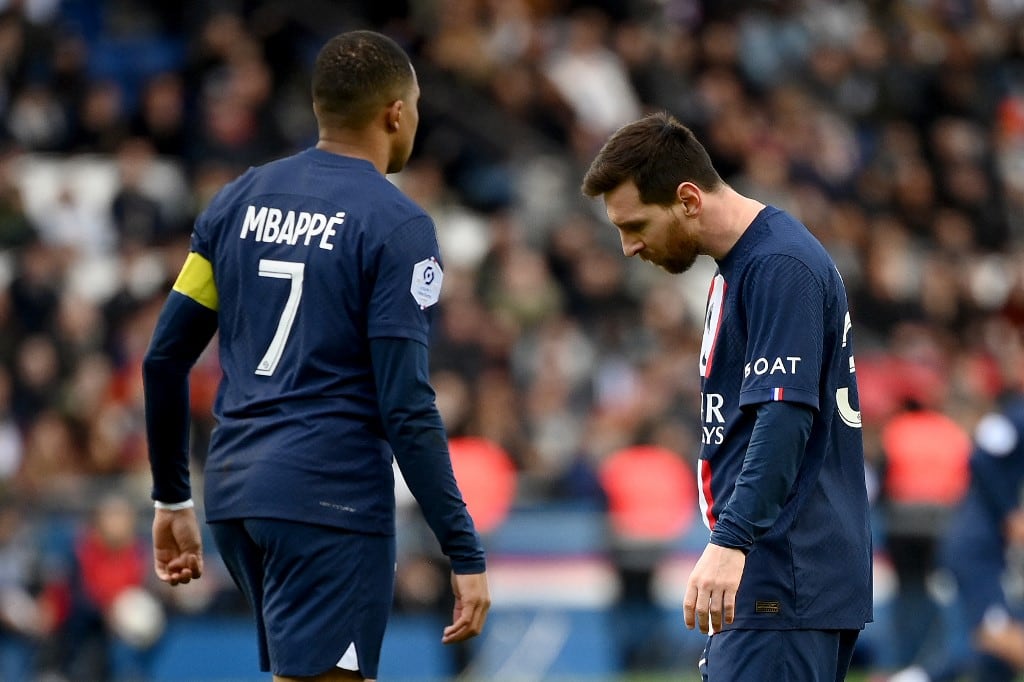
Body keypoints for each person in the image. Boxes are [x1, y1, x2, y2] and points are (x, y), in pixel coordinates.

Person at [141, 30, 490, 682]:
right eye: (416, 106)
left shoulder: (236, 201)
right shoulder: (399, 226)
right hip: (329, 499)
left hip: (236, 493)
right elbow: (405, 405)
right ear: (395, 113)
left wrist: (171, 499)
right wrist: (462, 550)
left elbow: (163, 359)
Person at [581, 111, 872, 681]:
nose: (628, 246)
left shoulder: (777, 265)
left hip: (784, 569)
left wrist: (732, 541)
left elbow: (785, 415)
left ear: (688, 199)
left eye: (635, 224)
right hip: (777, 572)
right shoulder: (748, 263)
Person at [889, 387, 1024, 682]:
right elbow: (983, 456)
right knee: (993, 637)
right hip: (976, 549)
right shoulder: (1018, 417)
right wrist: (1009, 512)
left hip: (992, 552)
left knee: (990, 656)